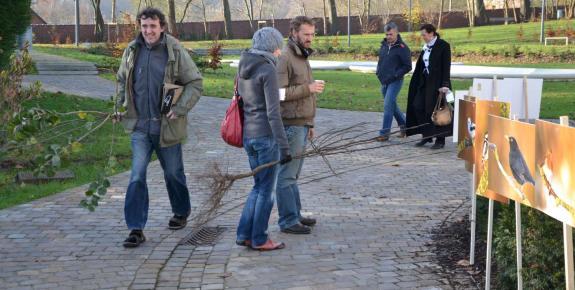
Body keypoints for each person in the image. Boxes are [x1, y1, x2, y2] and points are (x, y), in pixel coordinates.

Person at [114, 7, 203, 248]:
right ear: (140, 27)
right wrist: (119, 107)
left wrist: (181, 108)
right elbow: (122, 80)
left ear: (161, 27)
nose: (148, 31)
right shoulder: (132, 51)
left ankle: (181, 211)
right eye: (144, 26)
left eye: (153, 26)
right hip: (140, 128)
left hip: (167, 126)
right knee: (136, 176)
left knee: (173, 173)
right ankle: (135, 228)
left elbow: (195, 83)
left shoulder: (174, 49)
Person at [235, 27, 291, 251]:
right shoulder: (267, 69)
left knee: (258, 187)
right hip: (266, 137)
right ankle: (259, 238)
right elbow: (272, 112)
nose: (280, 51)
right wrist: (284, 146)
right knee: (266, 192)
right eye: (278, 46)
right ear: (272, 46)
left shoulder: (243, 66)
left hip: (249, 135)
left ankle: (244, 234)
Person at [275, 16, 322, 235]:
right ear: (294, 33)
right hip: (290, 126)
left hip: (302, 124)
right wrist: (309, 89)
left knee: (294, 175)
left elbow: (305, 92)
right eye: (306, 34)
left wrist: (310, 122)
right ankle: (287, 220)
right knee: (287, 175)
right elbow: (278, 93)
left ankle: (295, 213)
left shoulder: (302, 55)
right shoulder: (285, 57)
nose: (310, 38)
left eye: (312, 34)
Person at [406, 23, 452, 149]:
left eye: (424, 35)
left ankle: (440, 139)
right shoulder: (426, 47)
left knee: (438, 110)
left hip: (438, 84)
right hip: (425, 83)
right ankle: (427, 135)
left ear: (432, 33)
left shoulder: (444, 46)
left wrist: (445, 85)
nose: (423, 37)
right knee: (418, 106)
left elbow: (446, 67)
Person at [375, 22, 412, 142]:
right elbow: (381, 61)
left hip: (395, 81)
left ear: (396, 32)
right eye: (387, 34)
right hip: (384, 80)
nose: (388, 37)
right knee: (392, 105)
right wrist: (378, 71)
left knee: (387, 105)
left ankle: (384, 133)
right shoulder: (384, 45)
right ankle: (405, 127)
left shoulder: (403, 48)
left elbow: (407, 66)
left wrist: (396, 74)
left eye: (390, 34)